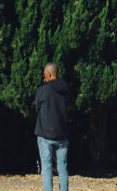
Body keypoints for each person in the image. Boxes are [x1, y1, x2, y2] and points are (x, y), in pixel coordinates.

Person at [34, 63, 69, 191]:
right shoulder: (65, 90)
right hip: (62, 135)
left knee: (47, 167)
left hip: (45, 134)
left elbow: (37, 108)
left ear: (48, 74)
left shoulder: (42, 90)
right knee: (62, 167)